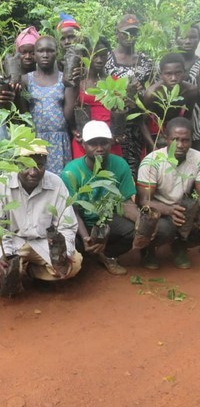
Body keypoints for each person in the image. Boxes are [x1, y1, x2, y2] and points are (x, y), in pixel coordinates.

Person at [137, 117, 200, 270]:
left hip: (183, 208)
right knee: (164, 229)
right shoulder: (152, 161)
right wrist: (169, 210)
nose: (180, 145)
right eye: (175, 140)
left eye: (185, 140)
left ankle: (180, 246)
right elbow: (144, 201)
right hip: (158, 210)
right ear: (166, 139)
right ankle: (149, 250)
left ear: (191, 140)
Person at [0, 144, 82, 297]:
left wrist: (65, 252)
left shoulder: (55, 183)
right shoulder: (2, 183)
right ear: (16, 163)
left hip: (44, 242)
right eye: (26, 165)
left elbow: (67, 225)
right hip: (13, 242)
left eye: (39, 165)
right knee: (4, 275)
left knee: (73, 264)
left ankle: (32, 271)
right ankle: (17, 270)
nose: (33, 172)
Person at [61, 121, 139, 275]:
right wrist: (85, 237)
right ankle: (88, 253)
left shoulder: (120, 165)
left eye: (104, 143)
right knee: (71, 244)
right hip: (81, 221)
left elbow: (126, 202)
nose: (99, 148)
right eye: (93, 143)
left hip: (107, 219)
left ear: (111, 143)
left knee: (132, 231)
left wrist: (142, 223)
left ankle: (107, 255)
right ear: (83, 145)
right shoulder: (71, 172)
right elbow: (73, 212)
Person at [105, 14, 153, 178]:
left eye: (133, 33)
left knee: (135, 168)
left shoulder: (146, 61)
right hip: (113, 123)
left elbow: (154, 89)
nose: (129, 37)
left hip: (138, 125)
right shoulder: (106, 59)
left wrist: (142, 94)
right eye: (125, 33)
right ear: (117, 33)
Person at [21, 36, 77, 175]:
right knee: (36, 177)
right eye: (41, 51)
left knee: (60, 183)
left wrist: (74, 84)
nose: (45, 55)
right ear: (34, 54)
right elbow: (23, 114)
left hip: (59, 140)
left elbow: (68, 113)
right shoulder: (26, 79)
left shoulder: (64, 79)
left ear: (56, 53)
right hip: (35, 139)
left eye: (50, 50)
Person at [71, 36, 123, 158]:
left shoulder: (115, 82)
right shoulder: (78, 81)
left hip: (109, 140)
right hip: (84, 140)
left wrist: (119, 132)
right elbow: (68, 109)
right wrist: (73, 129)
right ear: (86, 56)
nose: (99, 60)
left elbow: (121, 111)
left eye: (103, 55)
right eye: (95, 55)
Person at [176, 24, 200, 151]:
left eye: (193, 37)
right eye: (183, 37)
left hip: (196, 124)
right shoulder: (167, 64)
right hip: (171, 122)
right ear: (176, 38)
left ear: (199, 39)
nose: (188, 41)